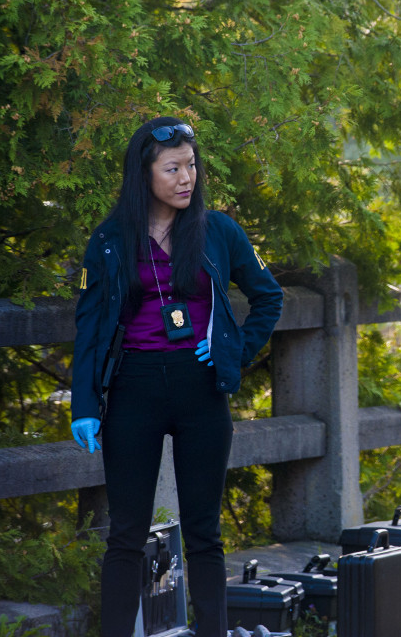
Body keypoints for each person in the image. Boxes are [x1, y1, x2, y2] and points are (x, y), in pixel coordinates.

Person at [70, 116, 284, 637]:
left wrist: (233, 351)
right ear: (143, 174)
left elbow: (268, 297)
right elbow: (90, 325)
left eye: (191, 166)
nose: (186, 177)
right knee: (126, 535)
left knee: (204, 533)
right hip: (133, 389)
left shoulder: (219, 231)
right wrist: (84, 406)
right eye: (172, 168)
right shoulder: (109, 239)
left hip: (201, 388)